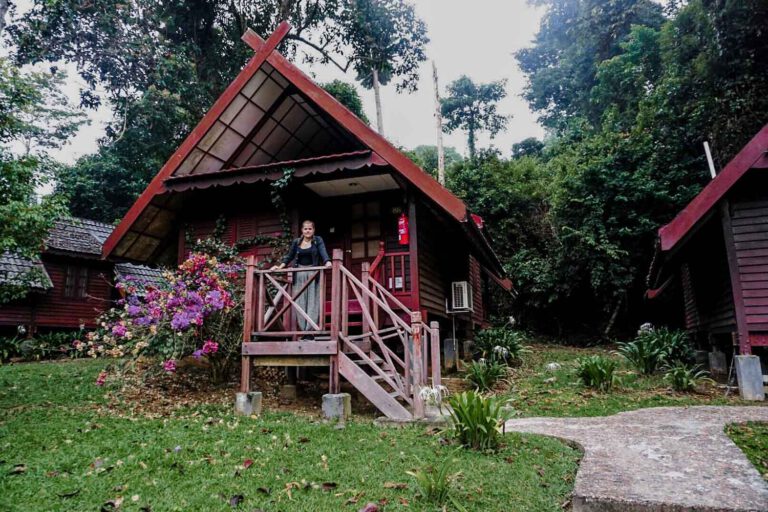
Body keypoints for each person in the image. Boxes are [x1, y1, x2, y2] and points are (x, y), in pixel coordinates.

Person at [271, 220, 331, 335]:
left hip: (313, 275)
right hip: (299, 275)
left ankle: (310, 331)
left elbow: (323, 252)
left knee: (313, 302)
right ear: (302, 230)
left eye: (310, 229)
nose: (308, 231)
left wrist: (327, 261)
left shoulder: (318, 240)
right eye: (305, 229)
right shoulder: (296, 242)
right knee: (300, 301)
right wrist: (279, 267)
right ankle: (303, 331)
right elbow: (289, 256)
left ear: (313, 230)